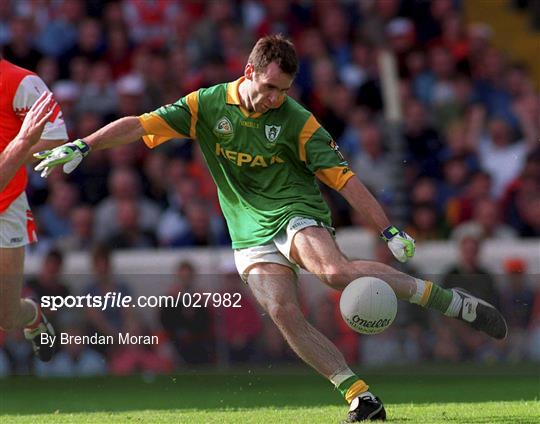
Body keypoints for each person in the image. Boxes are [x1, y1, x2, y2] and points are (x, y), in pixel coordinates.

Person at [34, 35, 508, 422]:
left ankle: (450, 300)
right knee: (283, 311)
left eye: (284, 90)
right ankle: (359, 396)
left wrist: (387, 231)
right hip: (247, 231)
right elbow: (139, 124)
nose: (276, 98)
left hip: (294, 210)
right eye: (270, 88)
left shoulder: (299, 121)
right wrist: (83, 146)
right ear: (249, 73)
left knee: (334, 273)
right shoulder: (205, 105)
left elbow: (344, 179)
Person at [1, 56, 68, 363]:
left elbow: (55, 135)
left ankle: (33, 317)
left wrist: (16, 151)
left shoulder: (21, 82)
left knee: (6, 314)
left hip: (6, 205)